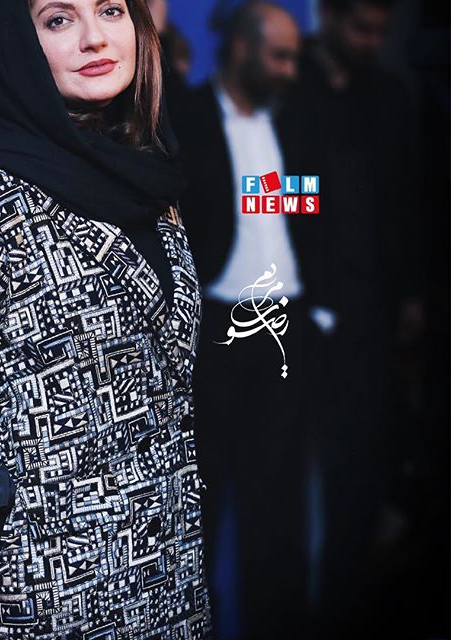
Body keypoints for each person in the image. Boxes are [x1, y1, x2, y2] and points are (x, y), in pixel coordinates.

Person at [0, 0, 213, 638]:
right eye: (59, 19)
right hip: (43, 580)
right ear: (20, 44)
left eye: (111, 10)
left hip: (168, 571)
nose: (94, 38)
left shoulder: (151, 182)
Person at [170, 2, 326, 637]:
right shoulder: (187, 119)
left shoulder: (293, 121)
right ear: (240, 49)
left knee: (278, 502)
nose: (291, 70)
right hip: (214, 330)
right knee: (199, 502)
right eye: (280, 56)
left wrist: (322, 307)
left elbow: (305, 210)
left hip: (286, 328)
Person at [275, 0, 425, 636]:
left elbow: (412, 197)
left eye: (381, 32)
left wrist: (412, 292)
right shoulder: (286, 85)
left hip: (372, 313)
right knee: (290, 478)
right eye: (361, 28)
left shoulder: (389, 95)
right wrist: (310, 206)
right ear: (329, 18)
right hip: (296, 308)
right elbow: (262, 190)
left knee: (364, 467)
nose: (371, 41)